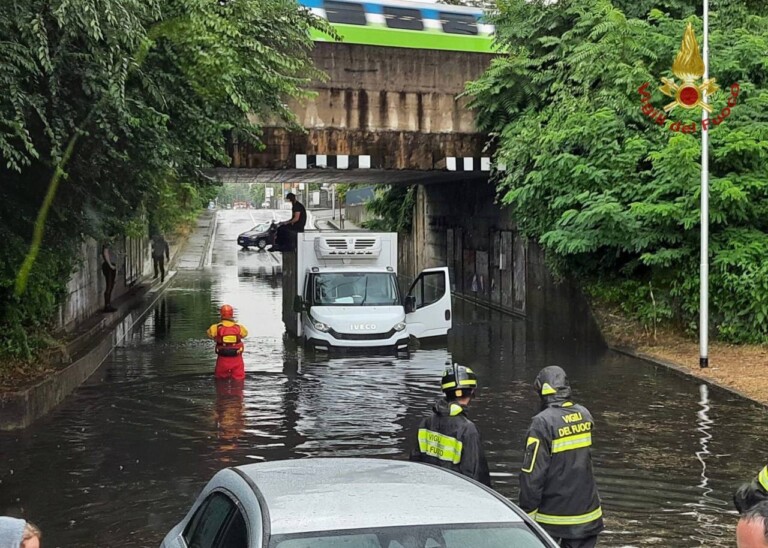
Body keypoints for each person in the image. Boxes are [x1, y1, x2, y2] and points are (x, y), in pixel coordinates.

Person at [519, 365, 603, 548]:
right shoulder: (584, 414)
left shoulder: (541, 423)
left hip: (554, 519)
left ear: (543, 391)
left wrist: (526, 515)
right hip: (589, 515)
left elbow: (532, 474)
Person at [409, 363, 491, 487]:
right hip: (455, 496)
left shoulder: (426, 423)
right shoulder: (467, 429)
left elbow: (414, 463)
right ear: (472, 392)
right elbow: (476, 475)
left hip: (428, 492)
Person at [206, 304, 248, 381]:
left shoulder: (215, 327)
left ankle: (221, 392)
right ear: (232, 314)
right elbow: (245, 334)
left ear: (221, 314)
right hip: (237, 358)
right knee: (239, 379)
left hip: (222, 358)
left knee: (220, 380)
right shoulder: (239, 328)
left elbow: (209, 334)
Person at [101, 241, 117, 312]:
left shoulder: (111, 244)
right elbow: (105, 253)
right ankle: (107, 306)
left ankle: (108, 304)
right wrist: (110, 265)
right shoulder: (107, 243)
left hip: (112, 266)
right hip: (108, 267)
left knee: (111, 286)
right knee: (109, 285)